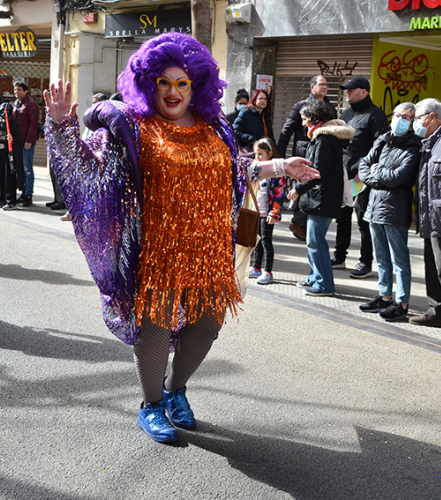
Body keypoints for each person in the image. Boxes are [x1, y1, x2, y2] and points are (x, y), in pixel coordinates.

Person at [43, 33, 317, 443]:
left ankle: (175, 390)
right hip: (157, 249)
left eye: (182, 83)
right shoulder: (132, 129)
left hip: (209, 247)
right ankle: (151, 404)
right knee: (153, 327)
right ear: (148, 82)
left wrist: (279, 165)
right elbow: (85, 168)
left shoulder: (214, 127)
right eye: (164, 82)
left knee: (207, 325)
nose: (173, 92)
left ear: (197, 86)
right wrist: (62, 125)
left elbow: (234, 172)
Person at [357, 102, 420, 322]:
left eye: (406, 117)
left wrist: (377, 172)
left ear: (412, 123)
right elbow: (364, 166)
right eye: (398, 115)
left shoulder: (414, 146)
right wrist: (378, 173)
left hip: (396, 208)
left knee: (399, 258)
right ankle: (384, 296)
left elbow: (398, 178)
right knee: (381, 257)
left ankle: (401, 302)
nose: (399, 119)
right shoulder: (383, 140)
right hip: (374, 206)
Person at [287, 100, 355, 297]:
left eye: (305, 119)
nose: (303, 124)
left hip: (322, 198)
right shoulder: (321, 138)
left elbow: (318, 171)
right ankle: (315, 277)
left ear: (314, 119)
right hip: (318, 197)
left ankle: (324, 284)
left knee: (316, 242)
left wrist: (299, 189)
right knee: (313, 241)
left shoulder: (324, 139)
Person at [333, 76, 389, 278]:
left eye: (351, 90)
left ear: (363, 92)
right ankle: (340, 256)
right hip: (344, 173)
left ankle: (365, 261)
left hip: (361, 177)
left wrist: (365, 171)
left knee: (363, 221)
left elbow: (381, 147)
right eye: (346, 90)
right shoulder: (347, 113)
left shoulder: (376, 115)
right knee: (342, 217)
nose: (347, 93)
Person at [277, 75, 337, 242]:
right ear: (312, 87)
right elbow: (286, 130)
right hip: (304, 151)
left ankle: (302, 222)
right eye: (321, 84)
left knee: (315, 185)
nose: (325, 87)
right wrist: (279, 156)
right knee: (305, 184)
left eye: (326, 85)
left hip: (323, 150)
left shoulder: (330, 107)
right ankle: (297, 222)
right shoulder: (301, 106)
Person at [409, 99, 441, 327]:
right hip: (429, 218)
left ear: (431, 117)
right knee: (432, 268)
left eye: (418, 118)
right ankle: (436, 312)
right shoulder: (427, 143)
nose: (415, 123)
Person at [247, 137, 287, 285]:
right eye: (255, 154)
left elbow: (279, 195)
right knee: (256, 241)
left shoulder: (276, 172)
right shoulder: (255, 169)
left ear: (270, 154)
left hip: (268, 214)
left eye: (260, 154)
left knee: (266, 241)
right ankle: (256, 268)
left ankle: (268, 271)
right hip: (256, 212)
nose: (257, 157)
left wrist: (274, 213)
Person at [12, 81, 40, 207]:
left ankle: (28, 194)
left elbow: (34, 124)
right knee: (20, 169)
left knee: (27, 168)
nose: (17, 92)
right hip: (16, 142)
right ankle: (23, 193)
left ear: (25, 91)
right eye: (15, 89)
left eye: (19, 90)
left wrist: (29, 140)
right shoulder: (15, 104)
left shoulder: (31, 104)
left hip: (26, 142)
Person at [0, 99, 21, 210]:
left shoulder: (13, 124)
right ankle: (2, 198)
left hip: (10, 154)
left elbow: (18, 139)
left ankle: (11, 201)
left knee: (9, 177)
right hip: (0, 152)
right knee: (0, 176)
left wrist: (12, 139)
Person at [233, 88, 274, 156]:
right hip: (250, 153)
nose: (263, 101)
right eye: (260, 98)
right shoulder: (246, 113)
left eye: (265, 99)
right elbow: (235, 132)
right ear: (254, 100)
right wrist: (251, 139)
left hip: (264, 153)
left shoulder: (266, 116)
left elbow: (270, 136)